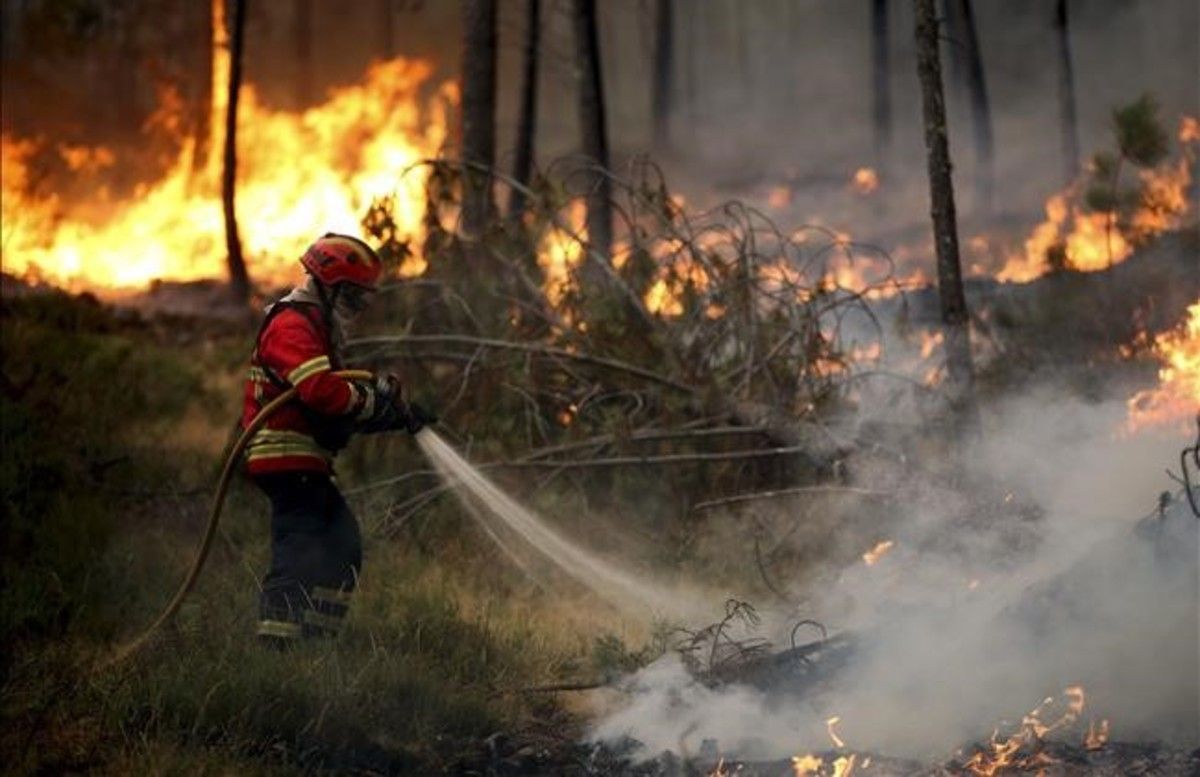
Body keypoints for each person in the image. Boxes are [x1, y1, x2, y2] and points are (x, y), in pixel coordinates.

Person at [240, 233, 433, 646]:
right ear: (327, 286)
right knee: (299, 551)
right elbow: (321, 392)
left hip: (304, 460)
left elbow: (334, 412)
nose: (357, 309)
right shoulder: (292, 323)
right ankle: (276, 651)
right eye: (352, 298)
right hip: (285, 460)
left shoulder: (316, 327)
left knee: (343, 547)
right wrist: (370, 401)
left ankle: (316, 644)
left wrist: (392, 416)